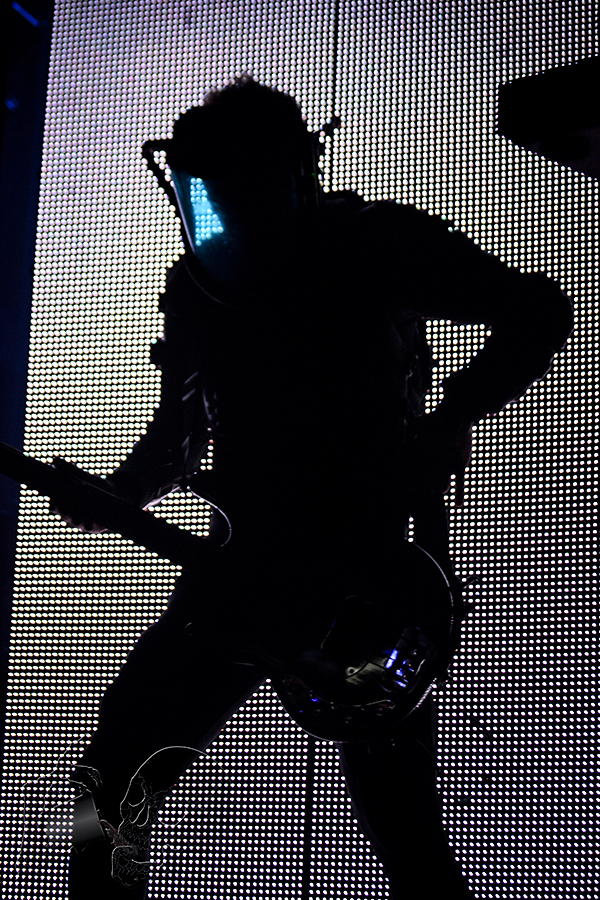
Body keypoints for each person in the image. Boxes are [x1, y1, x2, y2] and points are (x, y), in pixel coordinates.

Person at [58, 76, 573, 899]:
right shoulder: (200, 290)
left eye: (245, 186)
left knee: (401, 826)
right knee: (112, 775)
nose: (230, 211)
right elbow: (179, 441)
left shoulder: (369, 243)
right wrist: (115, 494)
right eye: (214, 191)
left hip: (361, 584)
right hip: (248, 573)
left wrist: (448, 421)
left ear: (294, 173)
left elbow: (537, 312)